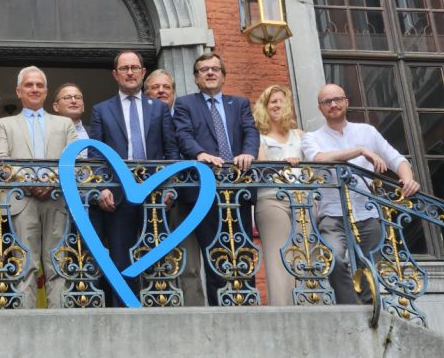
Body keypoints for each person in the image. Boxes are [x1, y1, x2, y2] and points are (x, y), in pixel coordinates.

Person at [301, 83, 420, 304]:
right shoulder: (312, 137)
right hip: (332, 215)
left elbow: (397, 160)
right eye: (327, 102)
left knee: (369, 269)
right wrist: (360, 151)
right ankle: (350, 308)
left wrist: (409, 178)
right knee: (333, 258)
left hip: (367, 213)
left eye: (338, 99)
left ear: (346, 102)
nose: (334, 105)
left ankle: (369, 311)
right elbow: (319, 159)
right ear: (320, 108)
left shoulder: (367, 131)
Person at [90, 51, 179, 306]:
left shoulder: (160, 109)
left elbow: (171, 152)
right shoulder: (101, 110)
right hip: (118, 197)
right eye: (125, 68)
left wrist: (171, 188)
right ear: (115, 74)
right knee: (121, 258)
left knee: (158, 257)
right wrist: (103, 186)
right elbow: (96, 154)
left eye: (135, 68)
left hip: (156, 197)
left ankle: (160, 310)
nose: (130, 72)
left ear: (142, 72)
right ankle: (124, 313)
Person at [174, 52, 260, 306]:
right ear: (196, 77)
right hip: (205, 190)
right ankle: (220, 306)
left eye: (215, 69)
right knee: (214, 252)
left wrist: (248, 153)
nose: (210, 73)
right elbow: (183, 135)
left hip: (238, 188)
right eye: (204, 69)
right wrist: (200, 154)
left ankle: (248, 303)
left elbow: (250, 132)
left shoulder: (240, 103)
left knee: (243, 249)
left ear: (223, 75)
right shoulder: (185, 104)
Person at [0, 66, 78, 308]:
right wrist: (30, 182)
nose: (34, 89)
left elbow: (73, 159)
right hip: (23, 200)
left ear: (46, 91)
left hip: (57, 199)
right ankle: (24, 320)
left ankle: (59, 320)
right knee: (25, 264)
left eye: (39, 85)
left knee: (57, 264)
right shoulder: (4, 124)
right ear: (18, 91)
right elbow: (1, 160)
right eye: (29, 85)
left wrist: (51, 182)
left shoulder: (64, 124)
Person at [144, 69, 206, 307]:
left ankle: (194, 314)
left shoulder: (186, 117)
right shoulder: (142, 121)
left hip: (187, 200)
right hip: (151, 201)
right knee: (153, 260)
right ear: (146, 92)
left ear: (173, 92)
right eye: (155, 87)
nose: (161, 91)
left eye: (166, 87)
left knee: (189, 263)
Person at [253, 84, 304, 306]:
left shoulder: (300, 134)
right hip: (272, 197)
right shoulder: (259, 137)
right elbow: (260, 164)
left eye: (280, 101)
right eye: (271, 101)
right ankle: (283, 310)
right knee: (278, 257)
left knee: (306, 253)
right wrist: (280, 164)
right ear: (264, 107)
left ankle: (310, 304)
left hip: (304, 199)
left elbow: (319, 158)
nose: (277, 105)